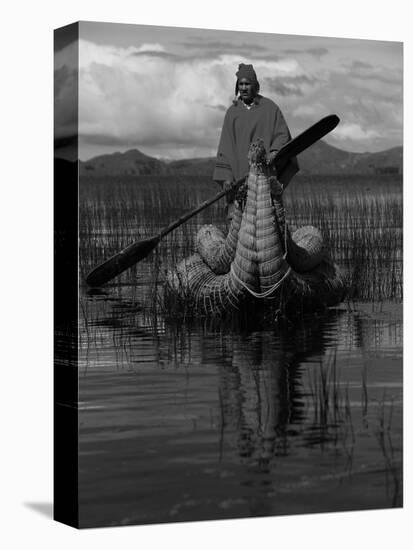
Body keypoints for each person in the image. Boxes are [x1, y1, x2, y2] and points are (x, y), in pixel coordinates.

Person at [213, 63, 299, 220]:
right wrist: (226, 178)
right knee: (240, 229)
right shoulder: (232, 113)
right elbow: (225, 147)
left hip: (264, 179)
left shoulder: (270, 108)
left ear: (255, 86)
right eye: (241, 84)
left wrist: (274, 151)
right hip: (240, 180)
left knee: (268, 225)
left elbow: (282, 134)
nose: (244, 88)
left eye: (247, 84)